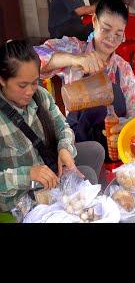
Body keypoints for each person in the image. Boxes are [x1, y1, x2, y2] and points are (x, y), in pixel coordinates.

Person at [0, 39, 105, 212]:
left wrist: (64, 148)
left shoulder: (40, 95)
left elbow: (62, 126)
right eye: (22, 85)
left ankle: (75, 209)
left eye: (34, 82)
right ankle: (75, 210)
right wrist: (28, 174)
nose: (29, 91)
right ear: (3, 80)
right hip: (20, 194)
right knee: (88, 175)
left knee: (96, 150)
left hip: (47, 165)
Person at [36, 0, 135, 153]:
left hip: (113, 146)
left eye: (118, 34)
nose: (111, 39)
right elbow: (32, 59)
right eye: (106, 29)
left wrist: (126, 127)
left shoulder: (123, 69)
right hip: (78, 146)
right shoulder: (75, 49)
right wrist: (75, 60)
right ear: (94, 22)